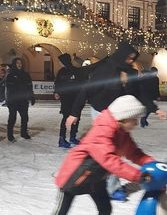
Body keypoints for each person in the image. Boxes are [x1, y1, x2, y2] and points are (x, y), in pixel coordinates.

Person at [17, 96, 158, 215]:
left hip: (95, 179)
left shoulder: (121, 132)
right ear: (123, 118)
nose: (136, 123)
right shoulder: (102, 131)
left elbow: (134, 153)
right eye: (134, 119)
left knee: (105, 209)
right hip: (73, 178)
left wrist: (152, 164)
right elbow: (110, 160)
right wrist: (139, 176)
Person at [67, 42, 156, 202]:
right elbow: (86, 89)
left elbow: (139, 92)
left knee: (118, 149)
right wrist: (74, 113)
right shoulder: (104, 69)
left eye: (132, 59)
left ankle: (102, 179)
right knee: (111, 152)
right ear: (121, 55)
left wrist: (153, 108)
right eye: (128, 58)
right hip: (101, 112)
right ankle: (109, 186)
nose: (130, 61)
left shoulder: (130, 72)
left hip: (120, 115)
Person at [54, 53, 85, 148]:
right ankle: (62, 139)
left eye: (60, 61)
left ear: (64, 61)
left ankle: (72, 137)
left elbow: (81, 83)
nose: (60, 63)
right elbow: (57, 83)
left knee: (76, 118)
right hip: (66, 99)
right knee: (66, 118)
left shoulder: (76, 71)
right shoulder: (61, 72)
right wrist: (56, 92)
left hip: (76, 98)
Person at [5, 57, 34, 142]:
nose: (19, 64)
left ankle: (23, 132)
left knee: (25, 117)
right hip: (13, 100)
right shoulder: (10, 75)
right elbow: (9, 88)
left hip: (23, 100)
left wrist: (31, 96)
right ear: (14, 64)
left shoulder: (26, 74)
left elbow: (29, 86)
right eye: (17, 63)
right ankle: (10, 135)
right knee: (12, 118)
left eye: (20, 63)